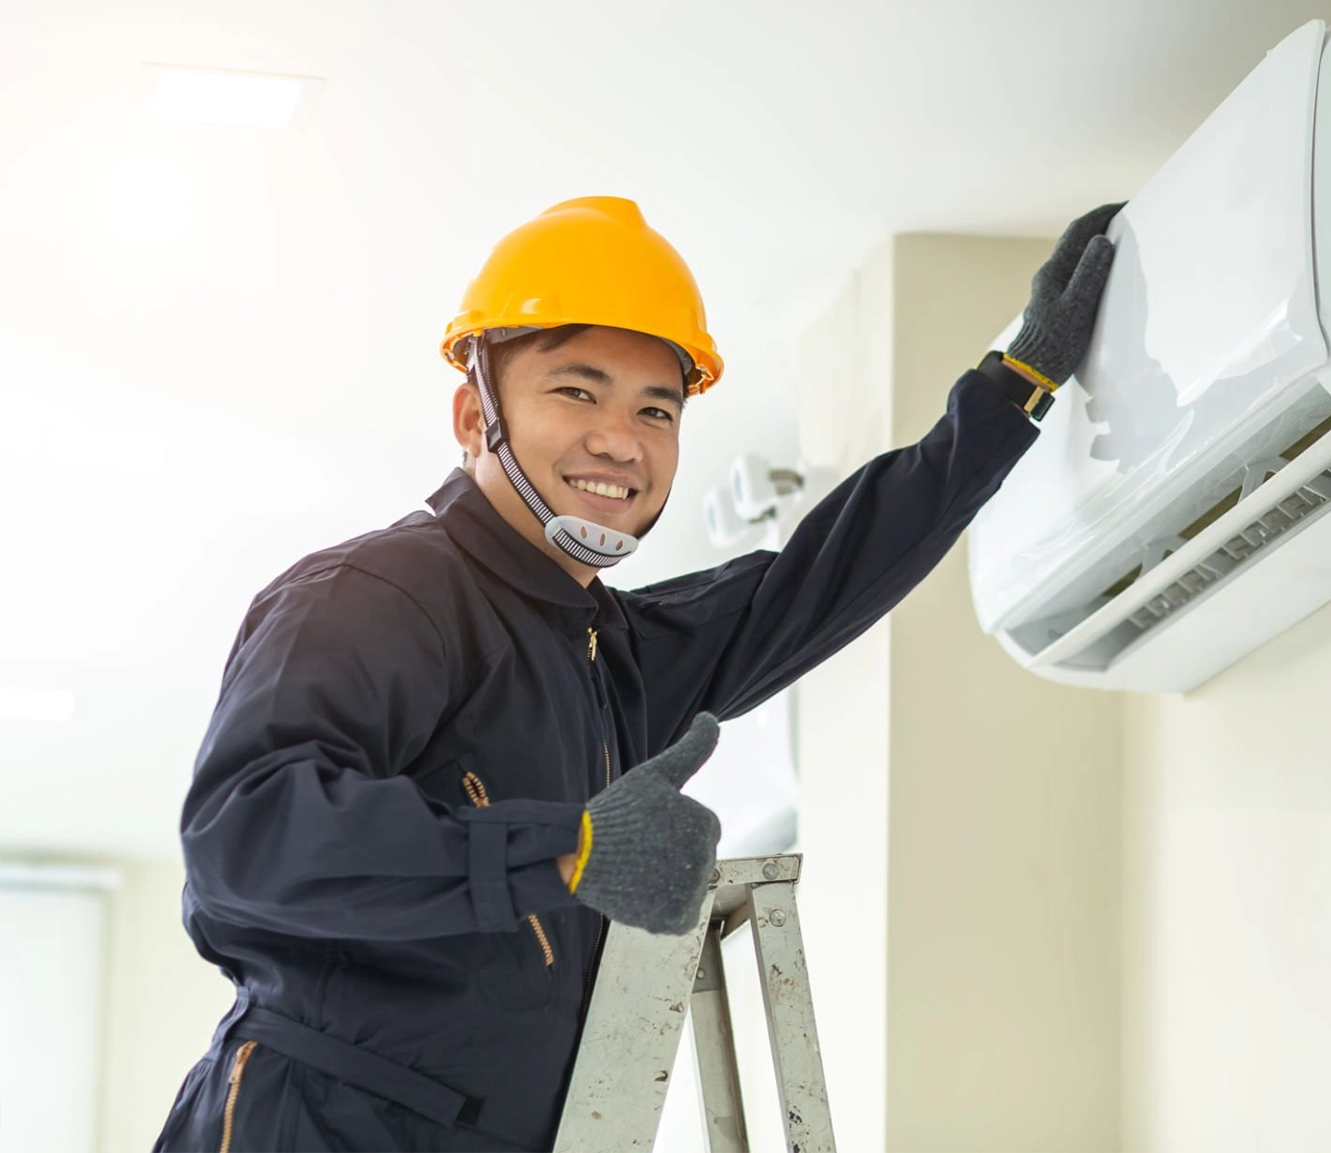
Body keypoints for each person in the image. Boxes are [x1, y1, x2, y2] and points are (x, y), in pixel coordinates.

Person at [153, 195, 1120, 1152]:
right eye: (577, 391)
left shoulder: (605, 652)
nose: (621, 439)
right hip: (312, 1126)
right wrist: (569, 849)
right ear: (472, 414)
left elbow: (818, 580)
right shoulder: (380, 595)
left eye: (655, 408)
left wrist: (1014, 391)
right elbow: (246, 842)